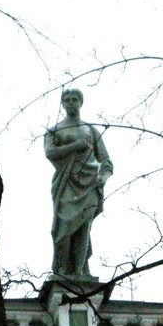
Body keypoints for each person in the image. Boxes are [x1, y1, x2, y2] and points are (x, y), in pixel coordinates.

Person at [44, 88, 113, 280]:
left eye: (75, 99)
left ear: (81, 102)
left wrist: (104, 177)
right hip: (66, 183)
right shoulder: (54, 130)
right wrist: (76, 146)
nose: (71, 103)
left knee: (83, 228)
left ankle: (80, 272)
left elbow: (106, 161)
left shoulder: (91, 130)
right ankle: (62, 271)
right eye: (67, 100)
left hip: (89, 184)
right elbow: (49, 152)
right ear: (63, 104)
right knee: (62, 229)